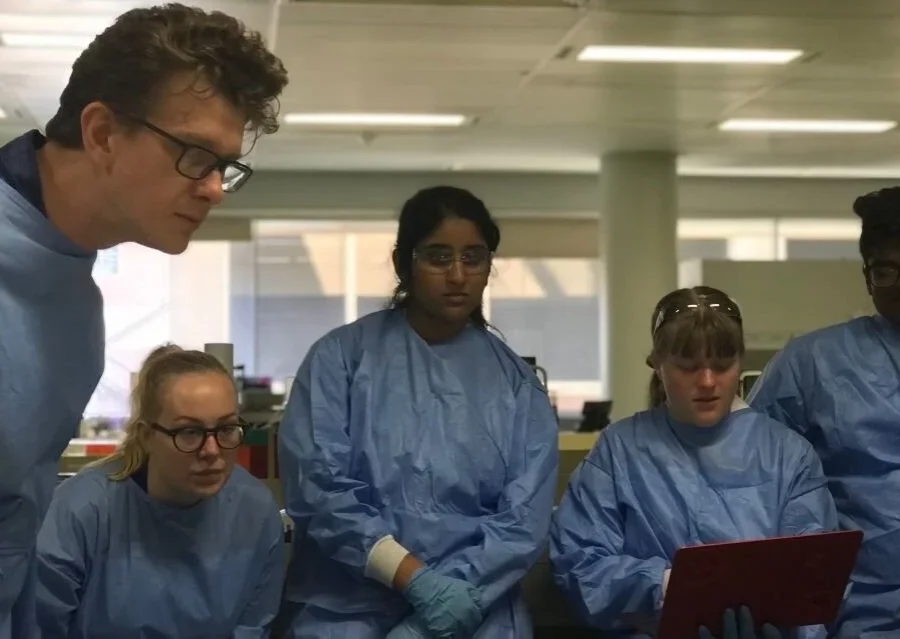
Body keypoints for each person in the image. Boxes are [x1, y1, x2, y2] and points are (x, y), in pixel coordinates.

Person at [0, 3, 287, 635]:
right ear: (102, 132)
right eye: (195, 155)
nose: (213, 188)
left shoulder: (75, 302)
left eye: (226, 167)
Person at [277, 185, 559, 639]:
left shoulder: (516, 384)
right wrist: (415, 580)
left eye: (474, 257)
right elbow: (319, 488)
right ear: (402, 263)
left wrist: (450, 601)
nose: (458, 275)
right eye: (438, 257)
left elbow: (523, 520)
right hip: (348, 605)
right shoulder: (342, 360)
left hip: (473, 606)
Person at [549, 286, 838, 639]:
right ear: (657, 365)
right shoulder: (620, 451)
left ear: (742, 361)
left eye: (722, 365)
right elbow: (580, 566)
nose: (707, 382)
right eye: (688, 367)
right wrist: (665, 586)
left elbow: (815, 572)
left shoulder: (788, 456)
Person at [749, 186, 900, 638]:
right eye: (886, 270)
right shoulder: (812, 363)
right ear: (866, 276)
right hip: (856, 606)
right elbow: (756, 478)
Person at [35, 345, 285, 638]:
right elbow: (38, 624)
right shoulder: (82, 511)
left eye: (226, 429)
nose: (212, 450)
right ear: (147, 436)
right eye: (188, 432)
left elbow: (252, 627)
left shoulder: (254, 512)